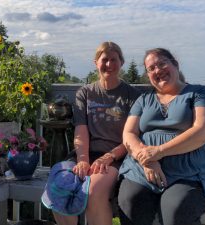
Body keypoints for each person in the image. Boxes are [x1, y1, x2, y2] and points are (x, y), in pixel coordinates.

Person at [118, 48, 205, 225]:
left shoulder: (198, 93)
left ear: (175, 64)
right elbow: (128, 133)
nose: (157, 70)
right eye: (151, 68)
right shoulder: (143, 100)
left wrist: (159, 151)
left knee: (175, 209)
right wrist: (147, 160)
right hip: (143, 169)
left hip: (189, 171)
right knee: (131, 201)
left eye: (162, 63)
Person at [51, 42, 140, 225]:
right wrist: (83, 159)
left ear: (121, 62)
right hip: (85, 153)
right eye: (104, 60)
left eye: (113, 60)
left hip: (116, 157)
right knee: (60, 185)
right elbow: (81, 129)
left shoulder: (132, 95)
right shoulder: (85, 93)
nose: (109, 64)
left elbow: (131, 137)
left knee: (93, 190)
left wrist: (108, 157)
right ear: (96, 62)